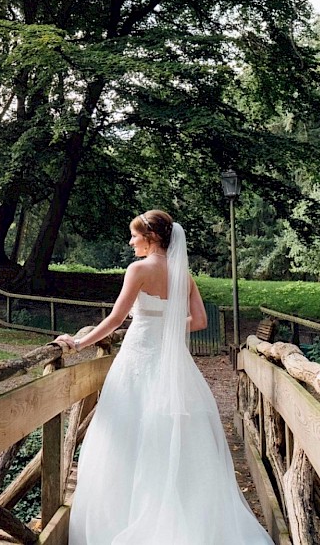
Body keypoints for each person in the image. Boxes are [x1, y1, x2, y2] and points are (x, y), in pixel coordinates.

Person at [54, 210, 272, 544]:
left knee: (125, 437)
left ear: (152, 237)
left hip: (137, 360)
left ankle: (127, 517)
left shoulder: (138, 270)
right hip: (173, 366)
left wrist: (78, 343)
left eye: (134, 236)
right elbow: (199, 321)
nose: (131, 242)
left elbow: (115, 319)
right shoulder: (183, 274)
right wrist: (168, 324)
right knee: (172, 437)